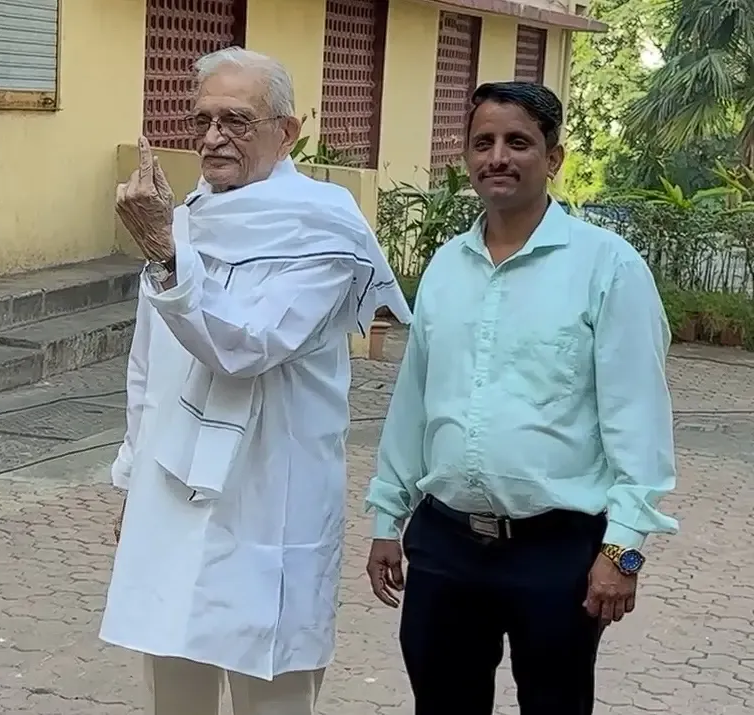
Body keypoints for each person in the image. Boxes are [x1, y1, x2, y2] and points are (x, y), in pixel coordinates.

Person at [100, 47, 411, 715]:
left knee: (271, 689)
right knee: (174, 688)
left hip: (271, 495)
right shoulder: (189, 216)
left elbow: (248, 344)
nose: (214, 137)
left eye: (236, 120)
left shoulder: (325, 226)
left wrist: (167, 253)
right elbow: (150, 366)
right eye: (204, 119)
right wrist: (132, 476)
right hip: (173, 488)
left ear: (287, 130)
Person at [364, 81, 679, 715]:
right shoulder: (446, 267)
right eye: (483, 143)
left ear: (554, 158)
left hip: (557, 552)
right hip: (445, 544)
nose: (497, 157)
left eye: (518, 142)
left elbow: (638, 420)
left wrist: (622, 550)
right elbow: (414, 404)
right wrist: (385, 520)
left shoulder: (607, 267)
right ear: (467, 157)